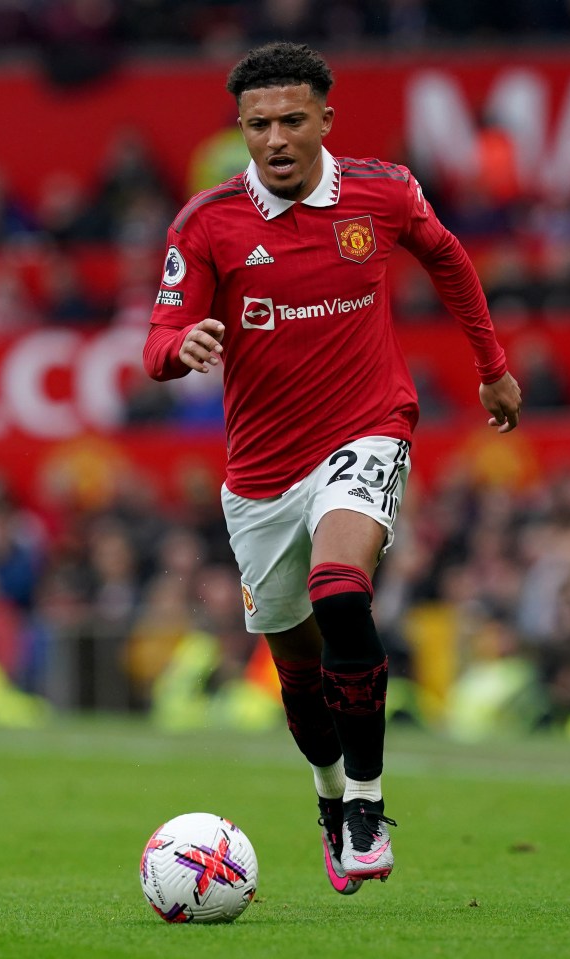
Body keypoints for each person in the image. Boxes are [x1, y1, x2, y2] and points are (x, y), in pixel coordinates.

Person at [142, 41, 522, 893]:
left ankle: (365, 799)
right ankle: (325, 793)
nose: (274, 138)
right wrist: (181, 345)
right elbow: (156, 341)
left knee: (340, 590)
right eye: (257, 125)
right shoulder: (205, 222)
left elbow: (450, 259)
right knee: (298, 675)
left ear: (323, 119)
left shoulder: (381, 192)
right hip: (260, 476)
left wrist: (490, 363)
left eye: (290, 120)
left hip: (366, 428)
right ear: (241, 128)